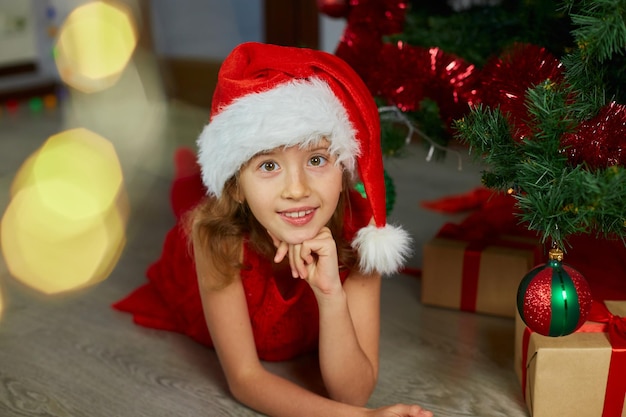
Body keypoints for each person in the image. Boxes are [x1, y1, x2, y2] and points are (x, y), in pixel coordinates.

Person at [114, 42, 433, 417]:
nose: (297, 189)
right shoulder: (216, 240)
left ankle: (196, 174)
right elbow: (246, 379)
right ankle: (187, 172)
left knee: (199, 195)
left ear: (344, 170)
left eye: (316, 159)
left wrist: (331, 296)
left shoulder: (363, 240)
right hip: (215, 238)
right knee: (191, 206)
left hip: (261, 214)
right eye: (268, 166)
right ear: (236, 184)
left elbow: (353, 393)